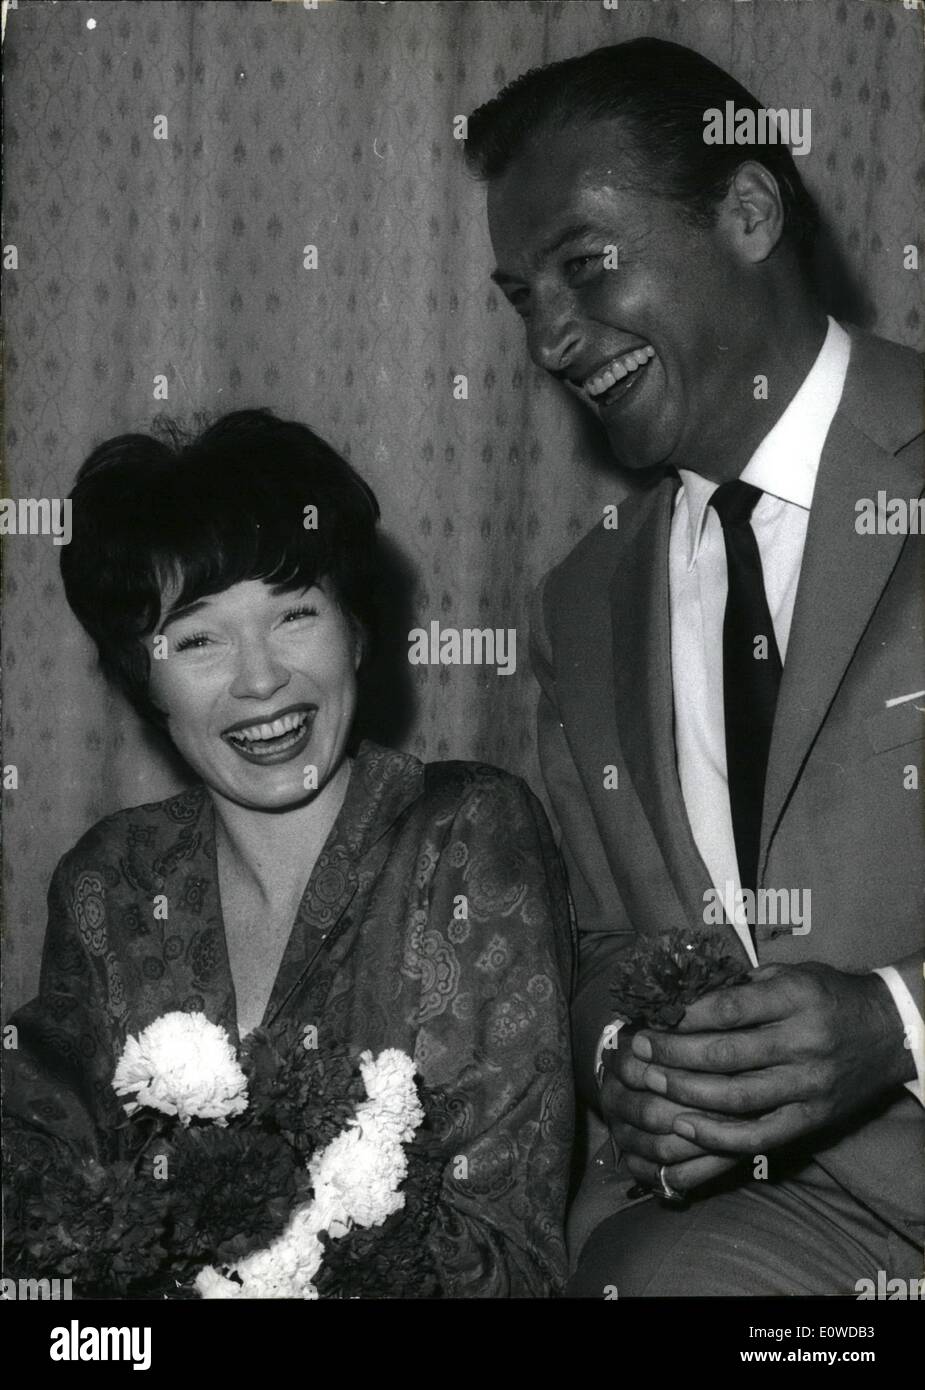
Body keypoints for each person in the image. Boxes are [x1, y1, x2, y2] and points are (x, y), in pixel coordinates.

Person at [465, 38, 924, 1295]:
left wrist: (897, 1023)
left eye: (583, 266)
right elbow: (606, 935)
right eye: (521, 298)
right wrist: (625, 1048)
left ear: (749, 209)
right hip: (766, 1234)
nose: (551, 338)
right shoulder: (580, 600)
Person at [2, 408, 575, 1298]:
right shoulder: (108, 883)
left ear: (357, 630)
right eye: (197, 639)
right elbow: (53, 1184)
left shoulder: (467, 834)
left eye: (294, 614)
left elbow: (506, 1261)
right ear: (140, 675)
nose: (260, 678)